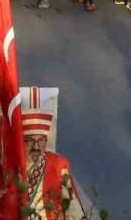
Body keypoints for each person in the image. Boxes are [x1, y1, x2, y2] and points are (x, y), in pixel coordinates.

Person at [22, 86, 87, 219]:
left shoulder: (58, 165)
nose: (36, 147)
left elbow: (72, 206)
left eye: (41, 141)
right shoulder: (11, 166)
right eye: (30, 141)